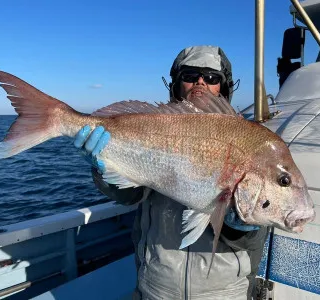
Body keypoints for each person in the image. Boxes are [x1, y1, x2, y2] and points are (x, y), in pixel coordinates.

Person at [74, 46, 269, 300]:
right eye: (190, 75)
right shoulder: (155, 124)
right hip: (155, 287)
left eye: (211, 78)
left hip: (225, 293)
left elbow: (255, 236)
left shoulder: (248, 140)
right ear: (177, 84)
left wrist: (241, 225)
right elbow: (130, 196)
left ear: (223, 87)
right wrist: (104, 169)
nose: (200, 82)